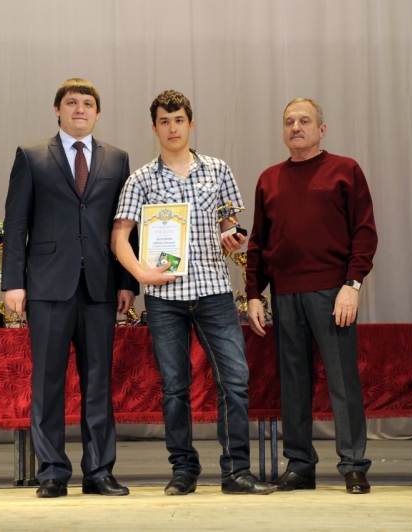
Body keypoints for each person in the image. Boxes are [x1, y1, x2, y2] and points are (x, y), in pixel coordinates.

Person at [111, 90, 276, 496]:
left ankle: (236, 471)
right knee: (175, 387)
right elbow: (119, 237)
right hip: (164, 298)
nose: (173, 128)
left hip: (214, 290)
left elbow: (230, 223)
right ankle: (183, 469)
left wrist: (233, 235)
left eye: (179, 120)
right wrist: (141, 272)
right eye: (164, 122)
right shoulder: (141, 179)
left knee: (235, 380)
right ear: (154, 128)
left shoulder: (217, 170)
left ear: (191, 123)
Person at [2, 78, 138, 498]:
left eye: (88, 103)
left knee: (99, 382)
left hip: (100, 286)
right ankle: (52, 472)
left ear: (98, 113)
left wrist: (127, 282)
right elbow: (16, 224)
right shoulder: (31, 156)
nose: (80, 109)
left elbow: (126, 226)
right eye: (72, 102)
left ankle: (99, 471)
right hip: (47, 287)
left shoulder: (117, 159)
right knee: (48, 383)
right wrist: (13, 283)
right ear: (57, 110)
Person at [245, 98, 378, 494]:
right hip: (285, 295)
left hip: (333, 294)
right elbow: (258, 243)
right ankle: (300, 465)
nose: (296, 127)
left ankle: (353, 464)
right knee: (293, 384)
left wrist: (352, 286)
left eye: (304, 121)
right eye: (289, 121)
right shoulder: (269, 179)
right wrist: (254, 295)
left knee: (342, 382)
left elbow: (364, 233)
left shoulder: (345, 170)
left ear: (322, 129)